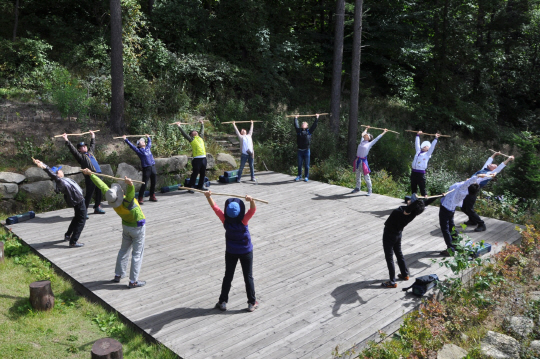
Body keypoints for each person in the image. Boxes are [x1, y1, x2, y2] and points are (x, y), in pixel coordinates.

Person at [82, 168, 147, 288]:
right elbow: (131, 192)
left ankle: (118, 275)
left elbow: (102, 185)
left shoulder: (112, 199)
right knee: (137, 254)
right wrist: (130, 184)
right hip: (137, 228)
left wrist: (91, 175)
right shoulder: (127, 202)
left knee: (123, 251)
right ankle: (133, 281)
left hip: (126, 227)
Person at [204, 190, 259, 312]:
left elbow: (215, 208)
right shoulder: (243, 221)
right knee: (248, 276)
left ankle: (223, 302)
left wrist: (208, 197)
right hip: (246, 251)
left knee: (228, 276)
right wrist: (252, 200)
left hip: (231, 252)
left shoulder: (225, 221)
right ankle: (251, 302)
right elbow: (252, 210)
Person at [33, 159, 86, 248]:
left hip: (78, 200)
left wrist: (43, 164)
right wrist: (44, 166)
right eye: (59, 170)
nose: (61, 170)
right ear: (57, 174)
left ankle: (68, 235)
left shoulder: (62, 180)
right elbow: (51, 174)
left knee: (77, 218)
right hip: (78, 201)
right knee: (82, 220)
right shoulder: (60, 181)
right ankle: (73, 241)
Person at [438, 173, 494, 256]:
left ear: (469, 185)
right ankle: (456, 245)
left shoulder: (462, 188)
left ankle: (450, 249)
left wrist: (481, 175)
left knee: (445, 229)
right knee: (451, 227)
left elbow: (475, 178)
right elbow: (476, 180)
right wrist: (488, 175)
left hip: (446, 208)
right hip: (451, 209)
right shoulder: (465, 190)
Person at [381, 194, 426, 288]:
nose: (410, 200)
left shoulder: (406, 212)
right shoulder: (413, 213)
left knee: (389, 258)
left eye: (412, 201)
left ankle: (392, 282)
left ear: (413, 205)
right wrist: (422, 199)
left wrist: (416, 201)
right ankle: (405, 274)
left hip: (389, 234)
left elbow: (409, 208)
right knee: (398, 253)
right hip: (398, 234)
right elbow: (419, 205)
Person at [462, 153, 514, 232]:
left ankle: (481, 224)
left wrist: (508, 159)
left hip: (472, 192)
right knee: (463, 207)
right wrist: (495, 154)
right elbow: (488, 161)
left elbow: (500, 166)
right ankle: (472, 220)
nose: (492, 164)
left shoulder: (489, 174)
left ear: (493, 169)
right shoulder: (484, 169)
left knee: (469, 209)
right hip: (467, 190)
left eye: (494, 165)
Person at [63, 131, 105, 216]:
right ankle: (83, 211)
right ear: (79, 149)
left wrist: (93, 136)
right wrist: (66, 140)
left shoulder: (90, 153)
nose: (85, 147)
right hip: (90, 176)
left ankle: (97, 207)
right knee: (89, 194)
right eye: (82, 147)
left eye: (85, 146)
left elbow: (92, 145)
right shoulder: (81, 157)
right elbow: (73, 150)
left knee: (99, 191)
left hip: (98, 175)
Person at [352, 126, 388, 195]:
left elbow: (377, 138)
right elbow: (363, 134)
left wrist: (384, 132)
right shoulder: (362, 141)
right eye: (366, 134)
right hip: (357, 160)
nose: (366, 135)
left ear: (369, 138)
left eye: (367, 135)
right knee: (357, 175)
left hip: (363, 162)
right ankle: (357, 187)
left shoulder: (369, 144)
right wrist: (366, 128)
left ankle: (370, 190)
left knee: (366, 176)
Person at [123, 134, 157, 204]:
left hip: (152, 166)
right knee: (144, 183)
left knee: (154, 182)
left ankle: (152, 195)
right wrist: (126, 139)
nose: (143, 142)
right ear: (138, 145)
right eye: (141, 141)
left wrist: (148, 137)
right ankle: (140, 197)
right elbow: (132, 146)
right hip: (146, 168)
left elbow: (149, 143)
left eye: (143, 141)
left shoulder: (148, 148)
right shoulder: (139, 151)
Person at [176, 119, 207, 192]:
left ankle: (200, 186)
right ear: (191, 135)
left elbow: (202, 131)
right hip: (197, 159)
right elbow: (184, 134)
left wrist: (202, 124)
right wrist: (179, 126)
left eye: (195, 131)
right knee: (195, 173)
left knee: (203, 173)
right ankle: (191, 187)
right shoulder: (191, 139)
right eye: (193, 131)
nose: (195, 131)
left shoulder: (200, 138)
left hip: (204, 158)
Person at [411, 131, 441, 197]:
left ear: (428, 148)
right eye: (424, 145)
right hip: (413, 172)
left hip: (420, 173)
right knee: (413, 187)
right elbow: (417, 144)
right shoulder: (418, 151)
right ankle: (413, 199)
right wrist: (417, 135)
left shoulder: (427, 154)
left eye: (427, 146)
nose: (425, 146)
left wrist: (436, 138)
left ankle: (425, 199)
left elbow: (432, 147)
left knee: (422, 188)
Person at [294, 114, 319, 182]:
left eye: (304, 124)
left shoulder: (309, 131)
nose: (303, 124)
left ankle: (306, 177)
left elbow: (314, 126)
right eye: (302, 124)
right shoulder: (299, 131)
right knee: (299, 165)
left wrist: (317, 118)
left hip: (307, 151)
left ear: (307, 126)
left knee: (307, 165)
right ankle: (299, 176)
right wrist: (295, 118)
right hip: (300, 151)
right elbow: (296, 125)